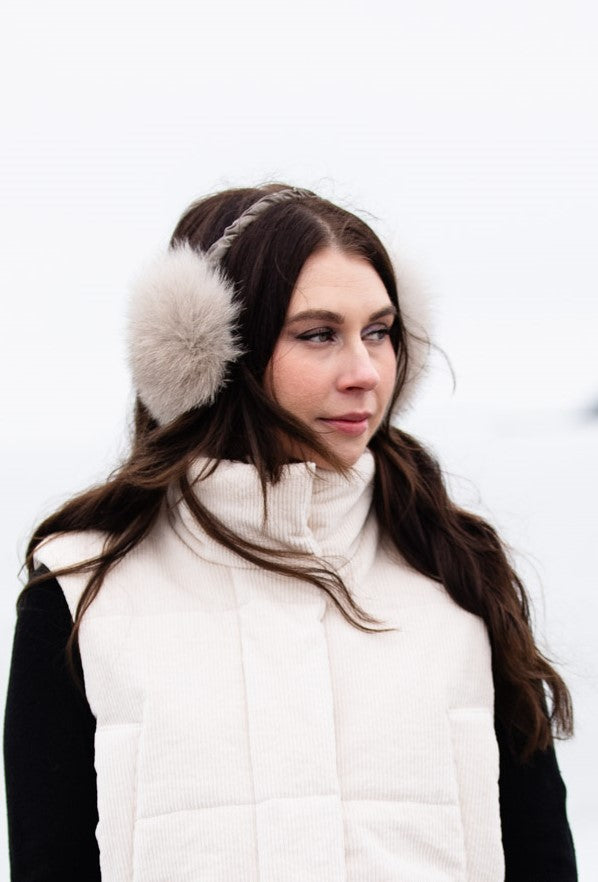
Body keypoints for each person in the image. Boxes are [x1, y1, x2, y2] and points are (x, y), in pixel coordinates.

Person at [4, 184, 577, 881]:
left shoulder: (456, 567)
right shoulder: (79, 593)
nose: (364, 373)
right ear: (211, 354)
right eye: (318, 334)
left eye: (378, 332)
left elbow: (543, 856)